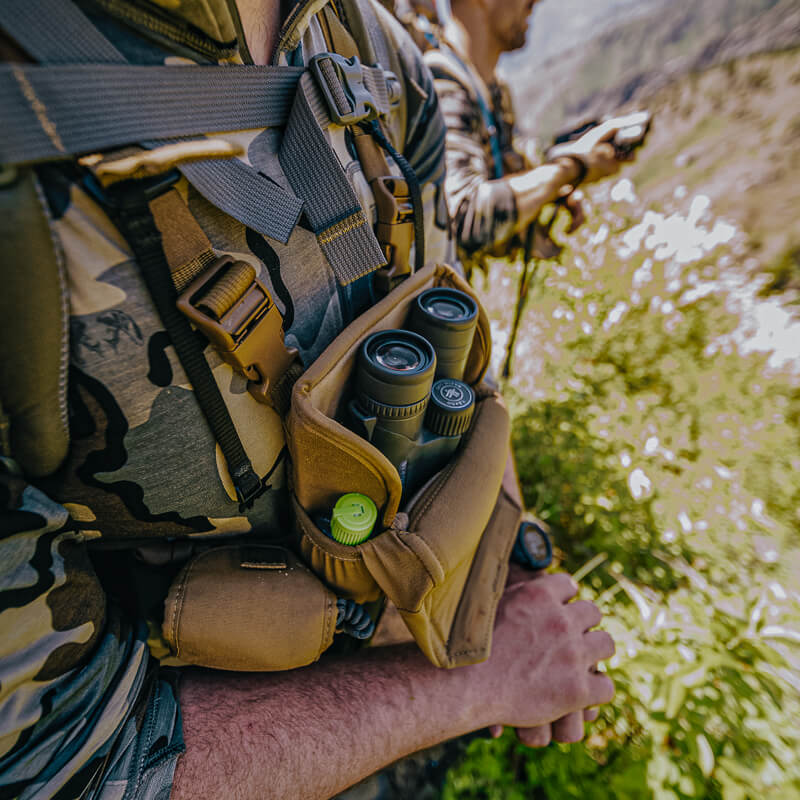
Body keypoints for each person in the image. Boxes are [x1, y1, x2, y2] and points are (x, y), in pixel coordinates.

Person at [0, 1, 615, 799]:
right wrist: (478, 684)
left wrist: (508, 564)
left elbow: (459, 356)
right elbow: (58, 769)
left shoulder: (374, 48)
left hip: (398, 686)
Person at [424, 0, 640, 279]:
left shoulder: (492, 88)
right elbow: (465, 219)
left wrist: (550, 193)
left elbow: (493, 183)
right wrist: (571, 168)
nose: (535, 3)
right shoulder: (441, 83)